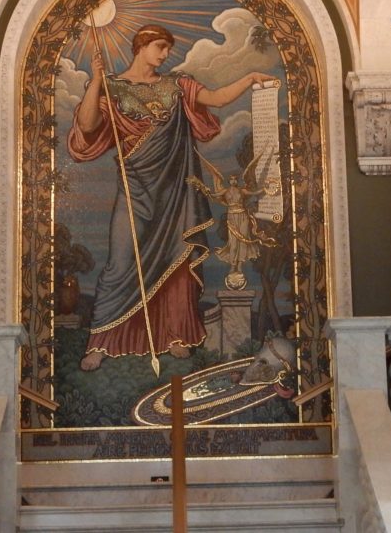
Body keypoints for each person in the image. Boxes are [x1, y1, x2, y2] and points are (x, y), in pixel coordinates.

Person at [68, 23, 275, 370]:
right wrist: (95, 81)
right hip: (135, 190)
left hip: (174, 192)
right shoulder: (113, 87)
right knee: (120, 263)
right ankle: (102, 341)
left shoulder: (176, 86)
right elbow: (88, 126)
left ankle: (174, 334)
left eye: (167, 48)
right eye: (160, 47)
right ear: (141, 46)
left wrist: (250, 78)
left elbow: (218, 98)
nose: (165, 55)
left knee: (176, 263)